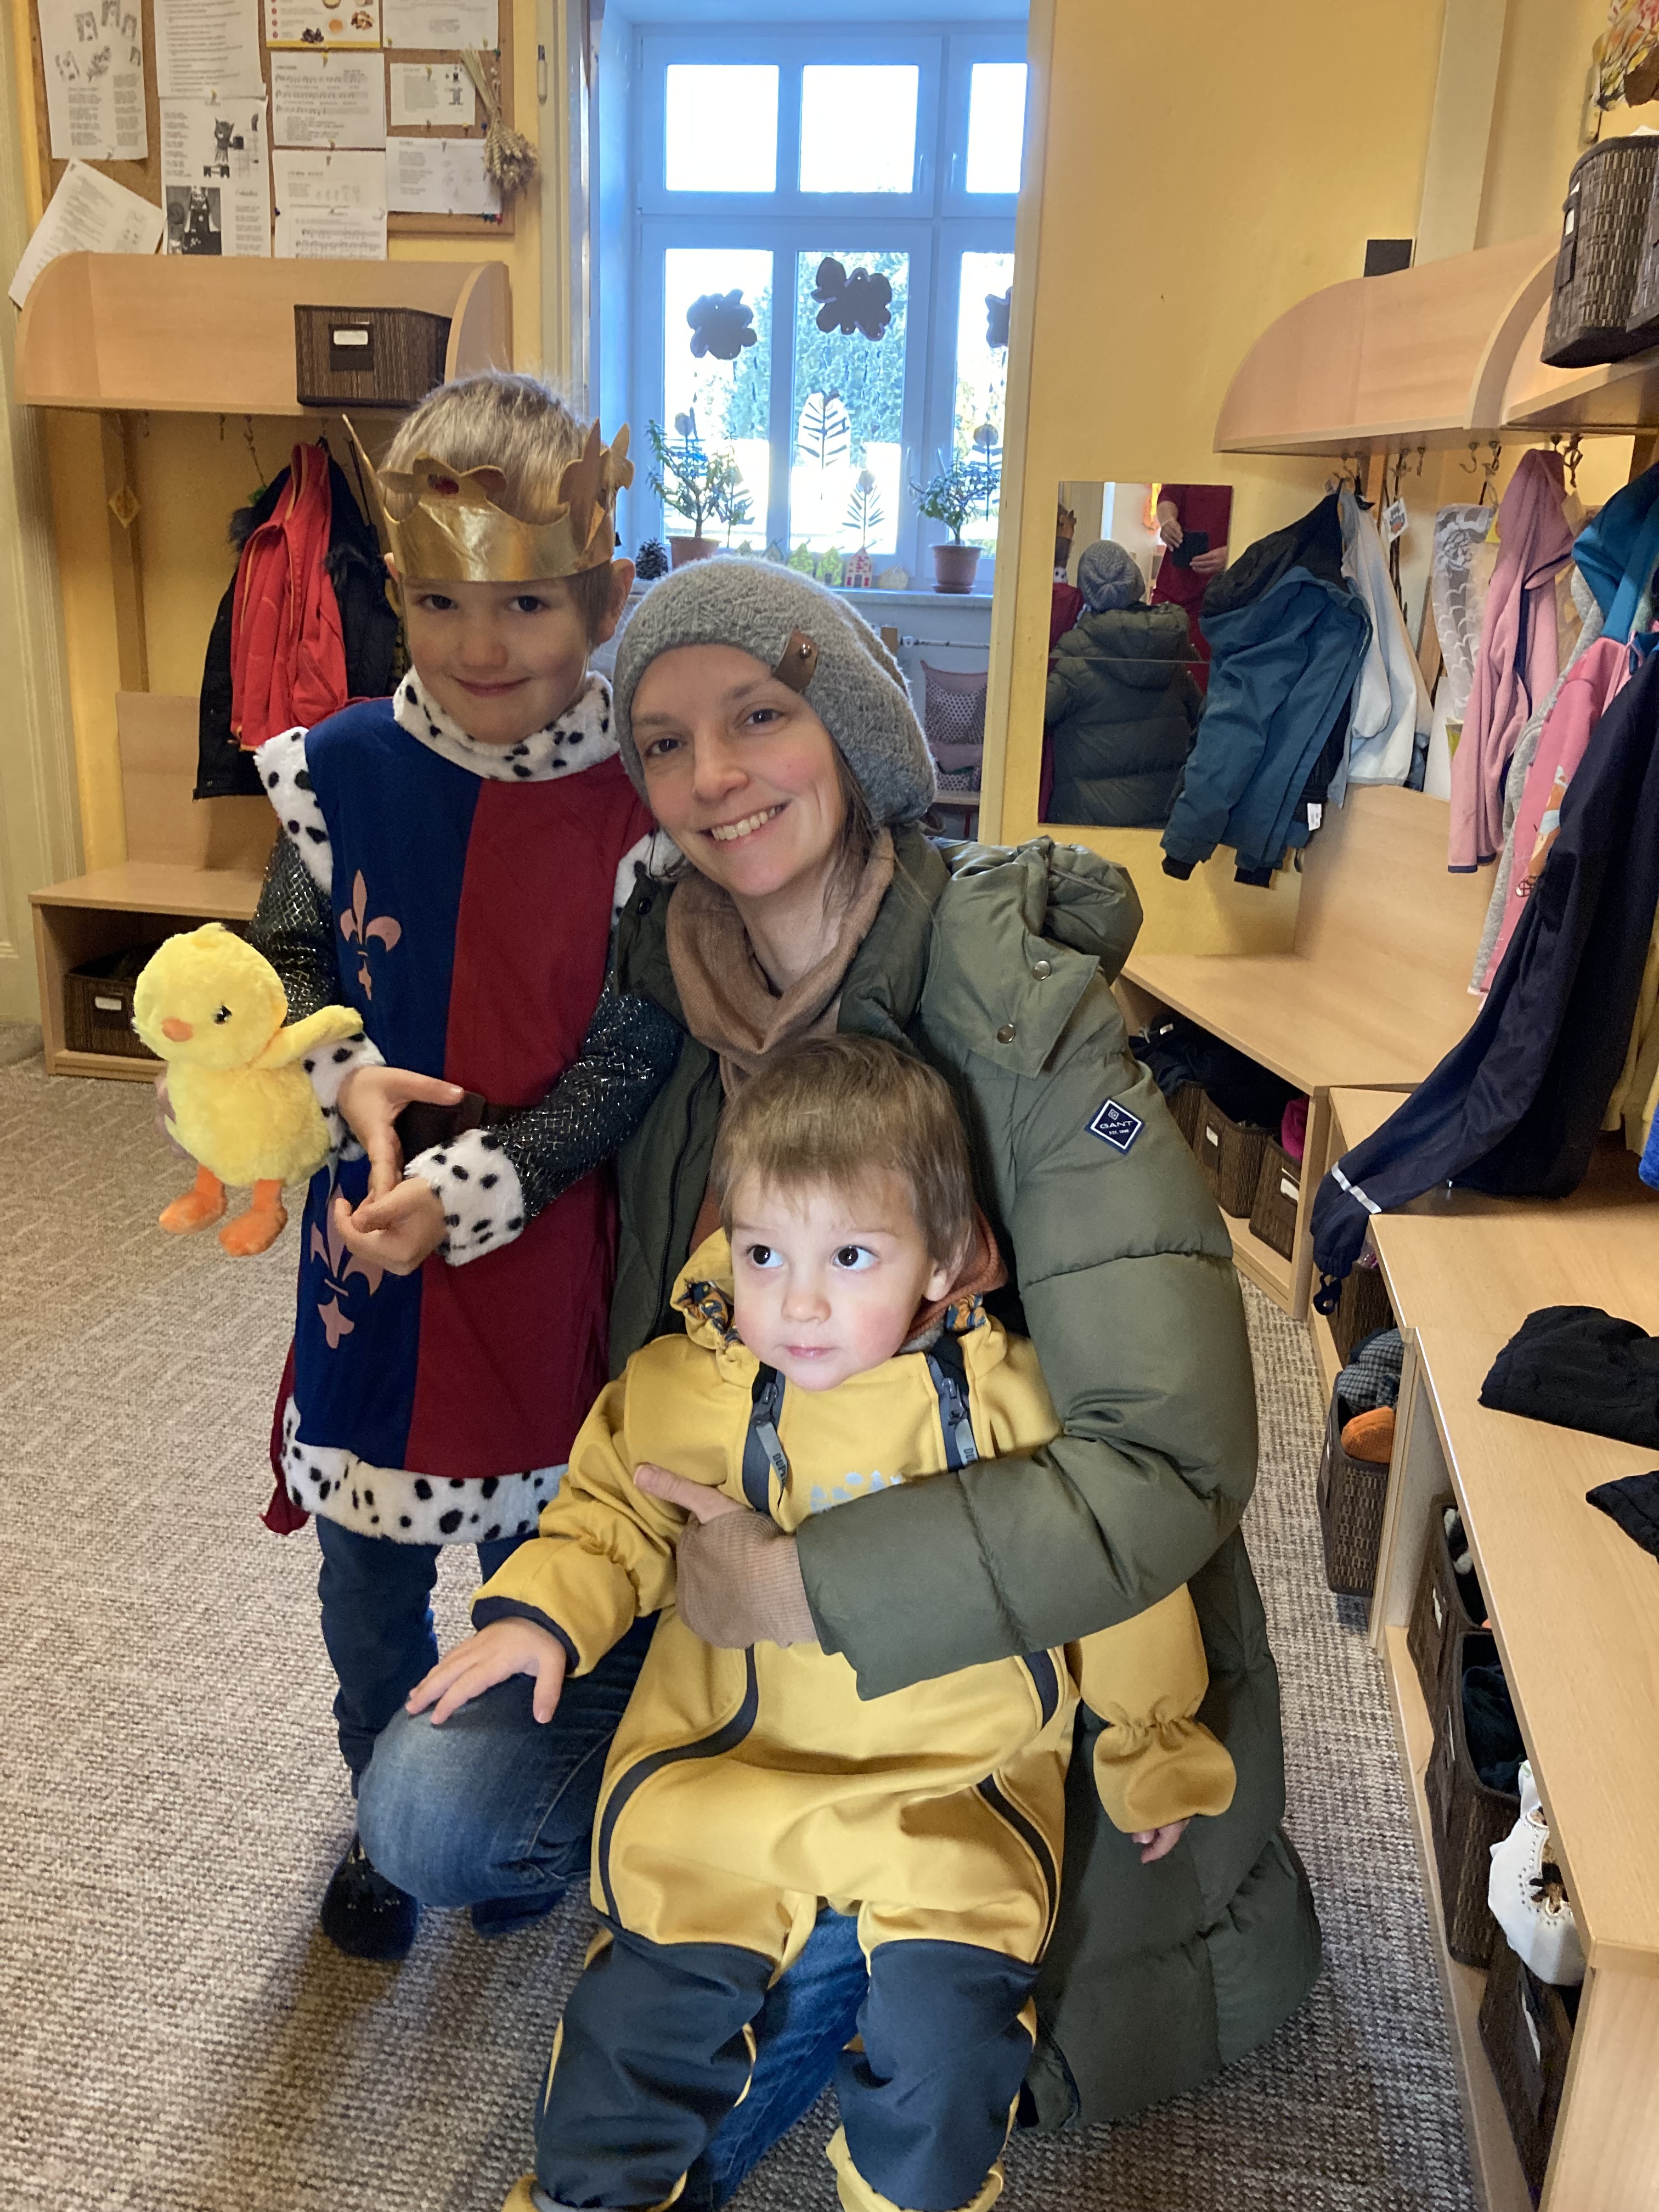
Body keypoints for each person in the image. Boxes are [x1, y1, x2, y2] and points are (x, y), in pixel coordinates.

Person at [358, 563, 1321, 2197]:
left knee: (896, 1935)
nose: (714, 775)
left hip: (968, 1619)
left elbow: (1166, 1460)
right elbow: (604, 1288)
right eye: (666, 741)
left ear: (855, 732)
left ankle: (814, 1975)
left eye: (760, 715)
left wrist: (807, 1589)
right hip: (721, 1561)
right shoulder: (670, 977)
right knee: (435, 1812)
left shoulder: (1018, 1012)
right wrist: (369, 1128)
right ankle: (767, 1945)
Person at [412, 1035, 1237, 2212]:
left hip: (953, 1795)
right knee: (629, 2040)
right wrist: (541, 1615)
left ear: (942, 1259)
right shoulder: (691, 1384)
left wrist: (1154, 1743)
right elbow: (610, 1516)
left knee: (950, 2063)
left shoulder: (1017, 1402)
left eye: (849, 1256)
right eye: (763, 1254)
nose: (797, 1303)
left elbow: (1110, 1573)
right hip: (729, 1784)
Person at [244, 372, 681, 1962]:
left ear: (601, 599)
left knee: (533, 1572)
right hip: (365, 1259)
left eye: (526, 602)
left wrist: (485, 1183)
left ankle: (495, 1806)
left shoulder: (642, 801)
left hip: (539, 1262)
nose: (481, 642)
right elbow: (290, 966)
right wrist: (342, 1077)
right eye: (439, 602)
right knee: (365, 1592)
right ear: (396, 591)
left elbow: (631, 1051)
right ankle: (381, 1811)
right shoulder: (340, 772)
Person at [1045, 538, 1202, 826]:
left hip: (1088, 827)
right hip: (1162, 824)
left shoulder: (1074, 663)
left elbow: (1029, 722)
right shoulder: (1170, 655)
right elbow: (1201, 723)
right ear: (1136, 582)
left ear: (1086, 592)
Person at [1151, 482, 1233, 692]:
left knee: (1202, 686)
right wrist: (1167, 522)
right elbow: (1169, 494)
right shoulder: (1188, 464)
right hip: (1175, 587)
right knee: (1157, 677)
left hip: (1223, 597)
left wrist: (1234, 552)